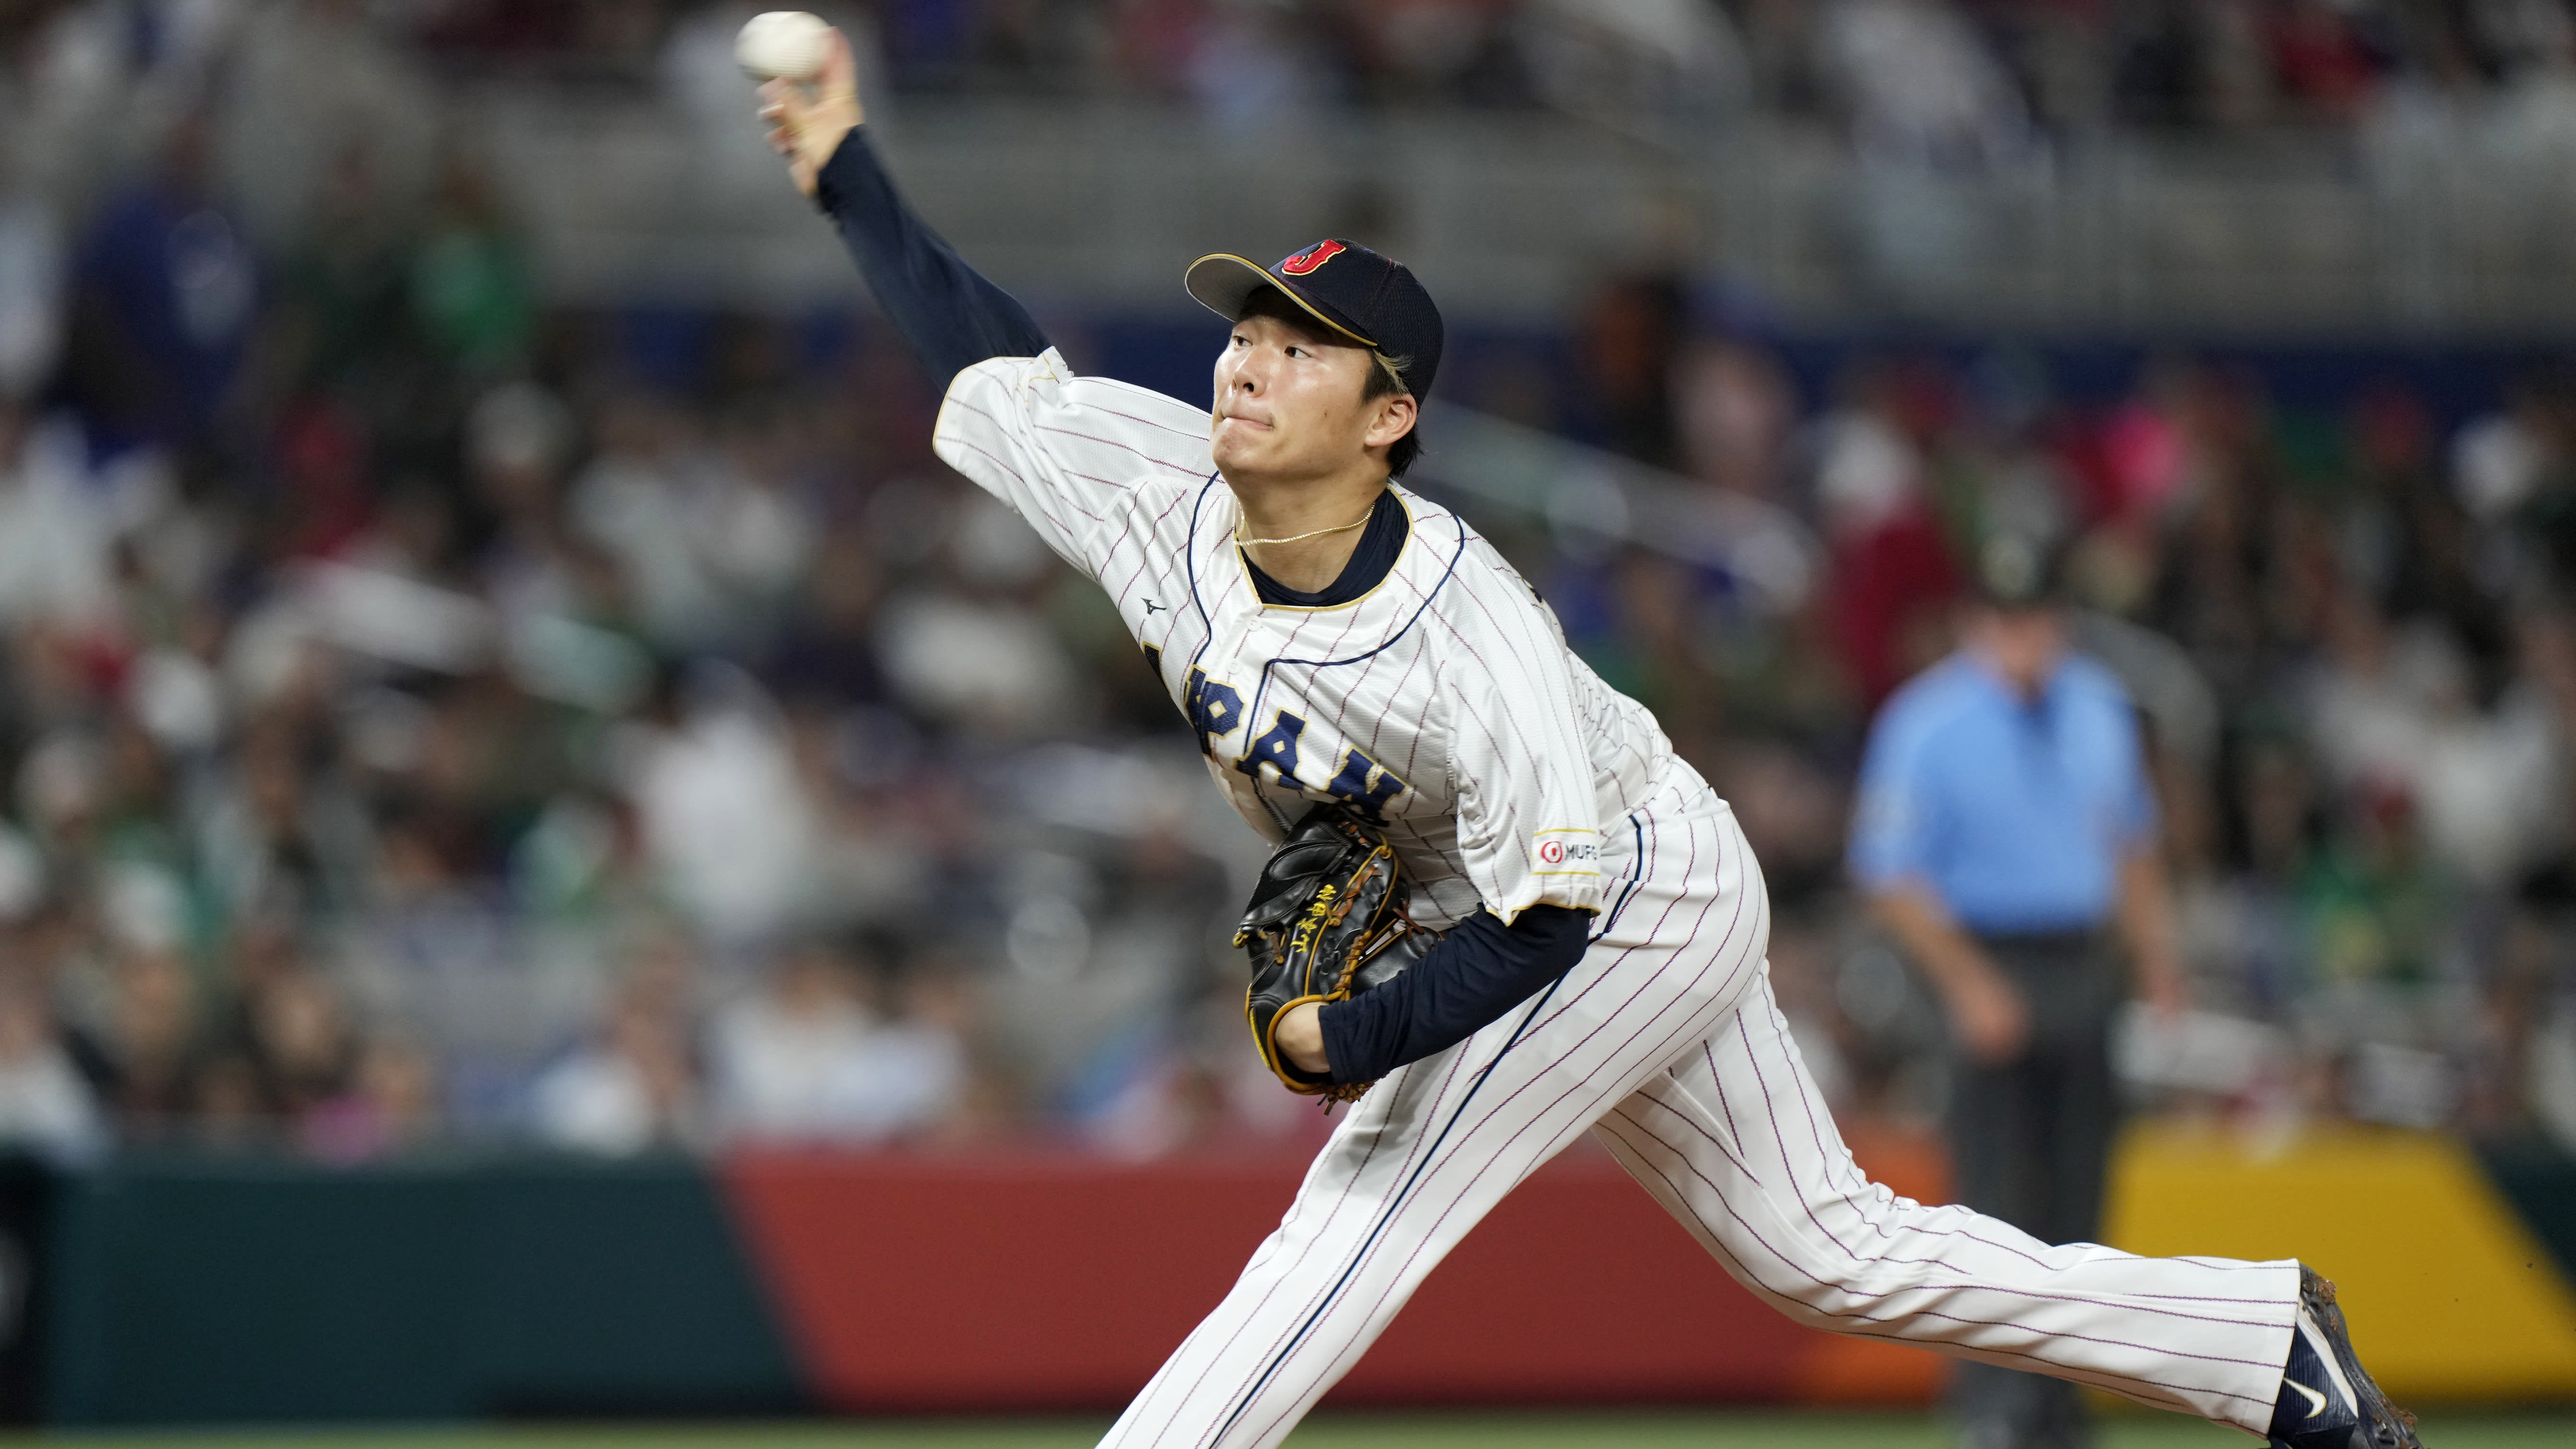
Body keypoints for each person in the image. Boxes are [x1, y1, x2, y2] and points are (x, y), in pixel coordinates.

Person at [755, 32, 2422, 1449]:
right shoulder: (1159, 494)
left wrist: (1374, 1031)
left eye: (1299, 348)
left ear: (1390, 416)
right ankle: (2266, 1340)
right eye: (1246, 329)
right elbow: (991, 362)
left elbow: (1548, 917)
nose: (1248, 362)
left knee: (1360, 1209)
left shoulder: (1467, 632)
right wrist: (844, 162)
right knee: (1827, 1252)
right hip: (1520, 886)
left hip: (1625, 894)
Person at [1850, 534, 2190, 1449]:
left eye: (2036, 619)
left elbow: (2131, 846)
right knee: (1992, 1205)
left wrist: (2157, 958)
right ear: (1974, 624)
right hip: (1981, 953)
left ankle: (2061, 1408)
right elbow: (1890, 876)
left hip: (2083, 959)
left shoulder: (2098, 708)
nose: (2022, 638)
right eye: (2006, 621)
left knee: (2080, 1203)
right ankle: (1992, 1411)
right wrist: (1967, 987)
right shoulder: (1925, 722)